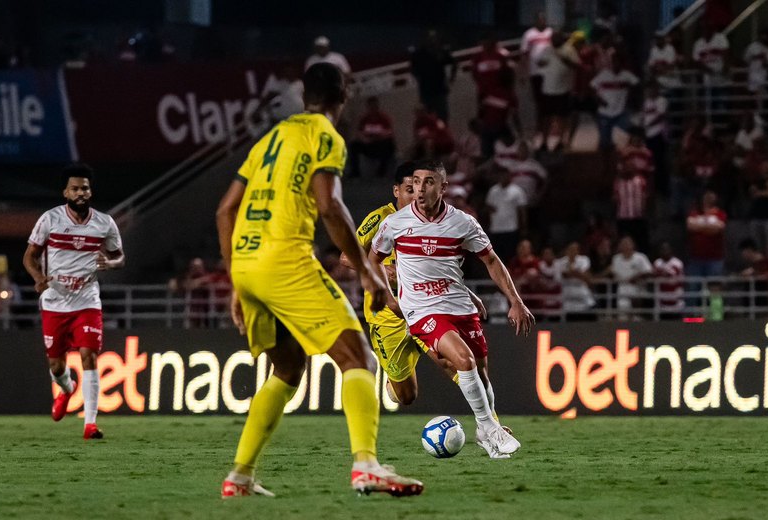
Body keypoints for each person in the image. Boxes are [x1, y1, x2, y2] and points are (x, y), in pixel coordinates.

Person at [215, 63, 422, 498]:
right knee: (357, 356)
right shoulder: (325, 136)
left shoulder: (270, 138)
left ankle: (240, 475)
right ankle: (366, 465)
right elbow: (329, 206)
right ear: (342, 96)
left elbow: (225, 211)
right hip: (285, 259)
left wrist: (236, 280)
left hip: (247, 264)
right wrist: (367, 272)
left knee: (288, 367)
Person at [370, 161, 535, 459]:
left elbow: (492, 262)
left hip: (458, 305)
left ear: (443, 187)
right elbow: (373, 260)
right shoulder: (394, 223)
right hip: (420, 310)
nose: (420, 189)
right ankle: (489, 427)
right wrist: (385, 294)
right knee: (463, 359)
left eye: (428, 182)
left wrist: (515, 300)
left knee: (482, 375)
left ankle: (486, 436)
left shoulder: (463, 223)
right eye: (417, 182)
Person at [344, 161, 487, 407]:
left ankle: (490, 424)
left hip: (424, 308)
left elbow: (441, 269)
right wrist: (380, 268)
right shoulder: (381, 218)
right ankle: (395, 379)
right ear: (396, 191)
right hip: (387, 316)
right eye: (410, 189)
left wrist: (465, 293)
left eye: (421, 187)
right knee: (406, 396)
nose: (417, 194)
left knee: (453, 363)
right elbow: (346, 257)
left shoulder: (432, 221)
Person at [22, 164, 125, 440]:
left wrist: (111, 263)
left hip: (87, 300)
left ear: (91, 191)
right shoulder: (50, 219)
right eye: (76, 188)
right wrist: (37, 277)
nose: (81, 193)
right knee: (56, 365)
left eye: (85, 188)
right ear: (65, 192)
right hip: (54, 301)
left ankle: (89, 425)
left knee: (89, 355)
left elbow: (120, 257)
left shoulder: (104, 223)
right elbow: (29, 256)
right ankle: (67, 390)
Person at [590, 56, 639, 149]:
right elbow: (592, 87)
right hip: (605, 112)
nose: (616, 65)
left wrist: (630, 96)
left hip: (620, 112)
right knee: (604, 143)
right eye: (614, 63)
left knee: (633, 131)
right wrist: (599, 99)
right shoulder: (604, 74)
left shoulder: (626, 75)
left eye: (618, 63)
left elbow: (636, 84)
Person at [410, 30, 456, 122]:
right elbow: (413, 69)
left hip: (440, 92)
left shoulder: (440, 51)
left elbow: (453, 63)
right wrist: (419, 79)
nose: (432, 40)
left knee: (443, 119)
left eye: (434, 38)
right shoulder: (419, 54)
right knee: (427, 120)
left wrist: (451, 78)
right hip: (426, 93)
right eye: (430, 38)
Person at [485, 169, 528, 265]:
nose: (503, 178)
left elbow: (522, 211)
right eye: (501, 176)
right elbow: (488, 206)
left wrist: (523, 227)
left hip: (511, 228)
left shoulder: (517, 191)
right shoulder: (493, 190)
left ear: (510, 177)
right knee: (496, 256)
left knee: (510, 255)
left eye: (505, 176)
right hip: (496, 228)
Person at [348, 96, 395, 178]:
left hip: (380, 144)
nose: (373, 108)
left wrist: (379, 137)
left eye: (374, 106)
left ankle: (382, 171)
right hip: (368, 145)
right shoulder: (364, 119)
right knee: (353, 145)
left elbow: (389, 133)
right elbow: (359, 132)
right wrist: (364, 139)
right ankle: (355, 172)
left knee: (390, 144)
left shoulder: (383, 118)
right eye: (371, 106)